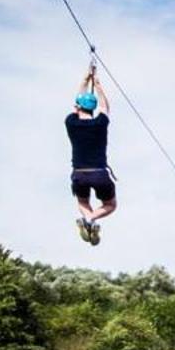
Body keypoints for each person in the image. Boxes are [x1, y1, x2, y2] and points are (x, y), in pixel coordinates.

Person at [66, 64, 115, 245]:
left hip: (79, 173)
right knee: (110, 205)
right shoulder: (100, 123)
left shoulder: (71, 122)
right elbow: (104, 107)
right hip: (100, 173)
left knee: (82, 203)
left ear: (78, 107)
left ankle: (88, 218)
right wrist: (98, 85)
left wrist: (86, 79)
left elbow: (77, 101)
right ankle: (91, 219)